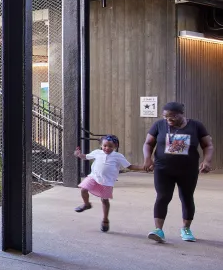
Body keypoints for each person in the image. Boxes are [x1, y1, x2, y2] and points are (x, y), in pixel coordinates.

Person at [143, 101, 213, 243]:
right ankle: (158, 230)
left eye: (172, 117)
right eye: (165, 117)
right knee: (162, 197)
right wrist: (147, 159)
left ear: (182, 114)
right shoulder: (159, 125)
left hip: (188, 170)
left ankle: (186, 229)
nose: (169, 120)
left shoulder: (196, 126)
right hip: (163, 169)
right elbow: (148, 143)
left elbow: (208, 145)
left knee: (186, 197)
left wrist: (207, 161)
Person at [72, 135, 139, 232]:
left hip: (107, 182)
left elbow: (130, 166)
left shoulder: (118, 156)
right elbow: (85, 157)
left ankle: (105, 220)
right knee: (83, 189)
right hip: (94, 177)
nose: (107, 148)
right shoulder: (97, 153)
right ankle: (86, 204)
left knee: (104, 200)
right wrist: (78, 154)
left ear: (115, 146)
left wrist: (143, 167)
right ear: (101, 145)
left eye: (110, 146)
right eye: (105, 146)